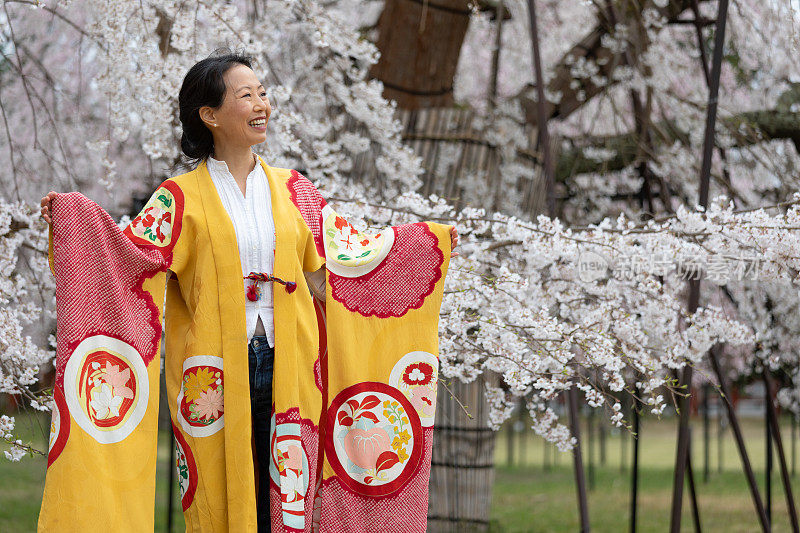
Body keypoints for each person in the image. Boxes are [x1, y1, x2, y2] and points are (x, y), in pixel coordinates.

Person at [40, 51, 458, 532]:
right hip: (213, 373)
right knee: (222, 493)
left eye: (262, 93)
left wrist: (425, 246)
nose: (263, 104)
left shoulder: (295, 190)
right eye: (247, 95)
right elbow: (127, 257)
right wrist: (73, 219)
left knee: (289, 488)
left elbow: (337, 269)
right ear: (210, 115)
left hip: (290, 361)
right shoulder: (178, 196)